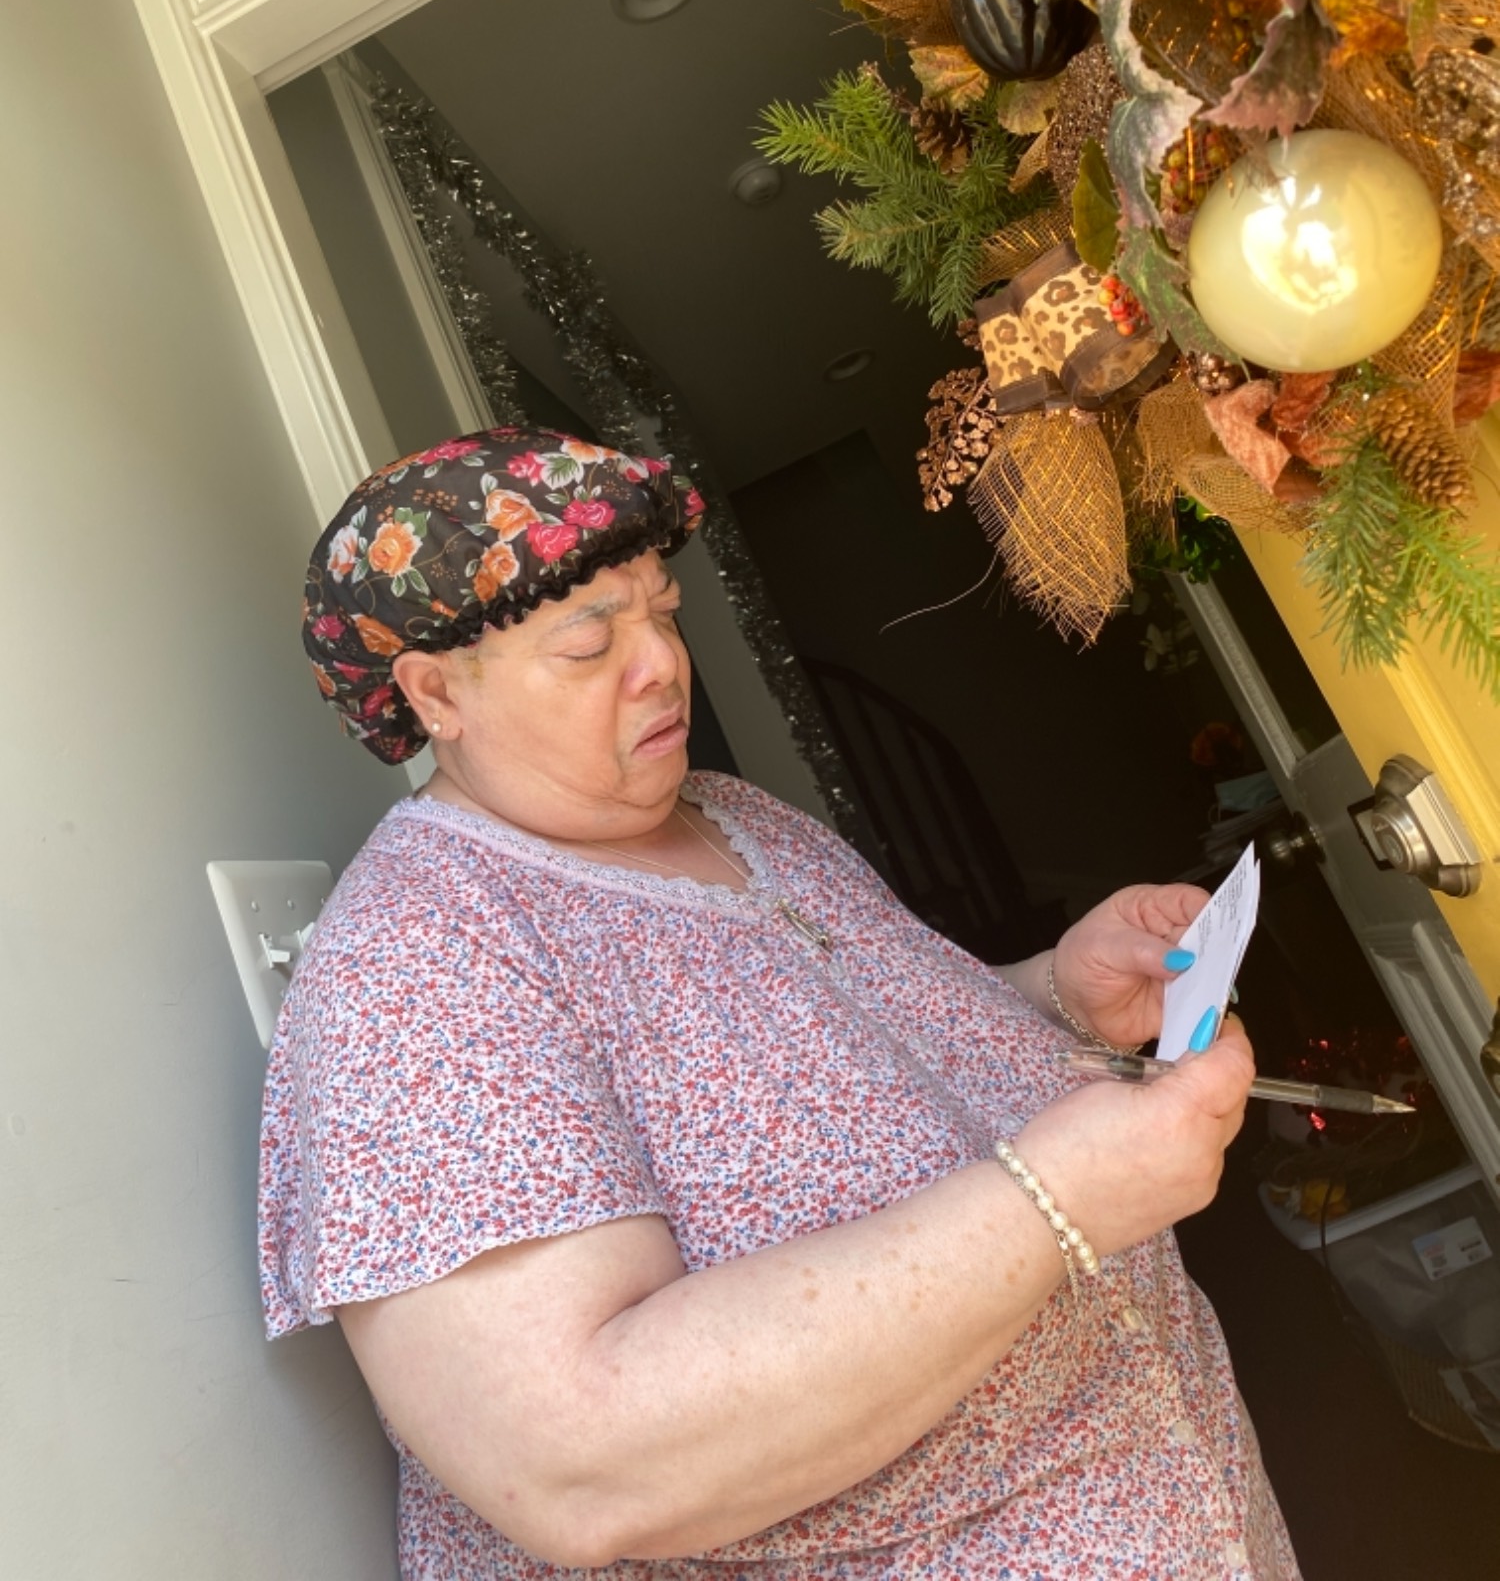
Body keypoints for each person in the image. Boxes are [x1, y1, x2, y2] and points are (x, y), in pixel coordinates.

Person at [263, 426, 1297, 1581]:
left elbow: (875, 1050)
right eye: (591, 642)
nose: (661, 663)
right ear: (435, 691)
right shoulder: (416, 964)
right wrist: (1055, 1203)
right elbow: (577, 1462)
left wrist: (1060, 993)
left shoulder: (728, 812)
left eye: (661, 610)